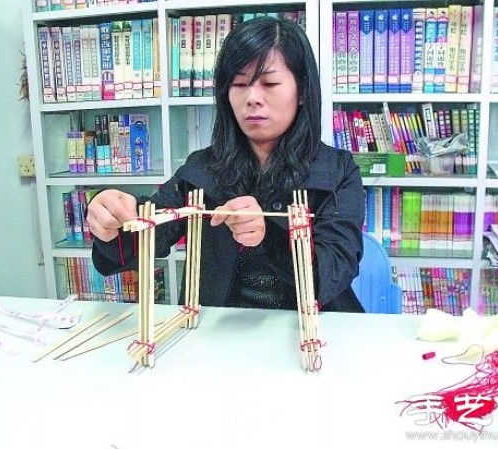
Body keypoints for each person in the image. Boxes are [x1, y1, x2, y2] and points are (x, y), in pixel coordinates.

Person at [87, 16, 365, 313]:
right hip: (217, 334)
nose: (253, 98)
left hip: (312, 334)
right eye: (240, 83)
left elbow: (333, 272)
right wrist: (113, 222)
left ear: (302, 91)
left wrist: (268, 237)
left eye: (270, 83)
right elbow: (148, 235)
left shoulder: (337, 171)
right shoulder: (203, 169)